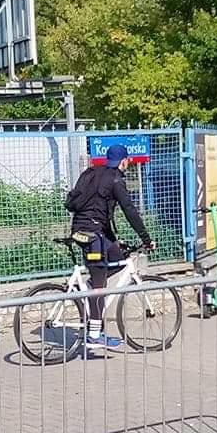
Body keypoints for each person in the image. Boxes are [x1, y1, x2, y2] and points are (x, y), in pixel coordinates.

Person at [63, 145, 156, 349]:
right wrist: (146, 238)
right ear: (124, 161)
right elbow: (129, 210)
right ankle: (94, 335)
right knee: (99, 285)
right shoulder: (115, 180)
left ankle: (88, 288)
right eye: (127, 160)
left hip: (84, 230)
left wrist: (114, 241)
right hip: (91, 235)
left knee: (118, 258)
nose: (128, 163)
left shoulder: (94, 173)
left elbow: (99, 212)